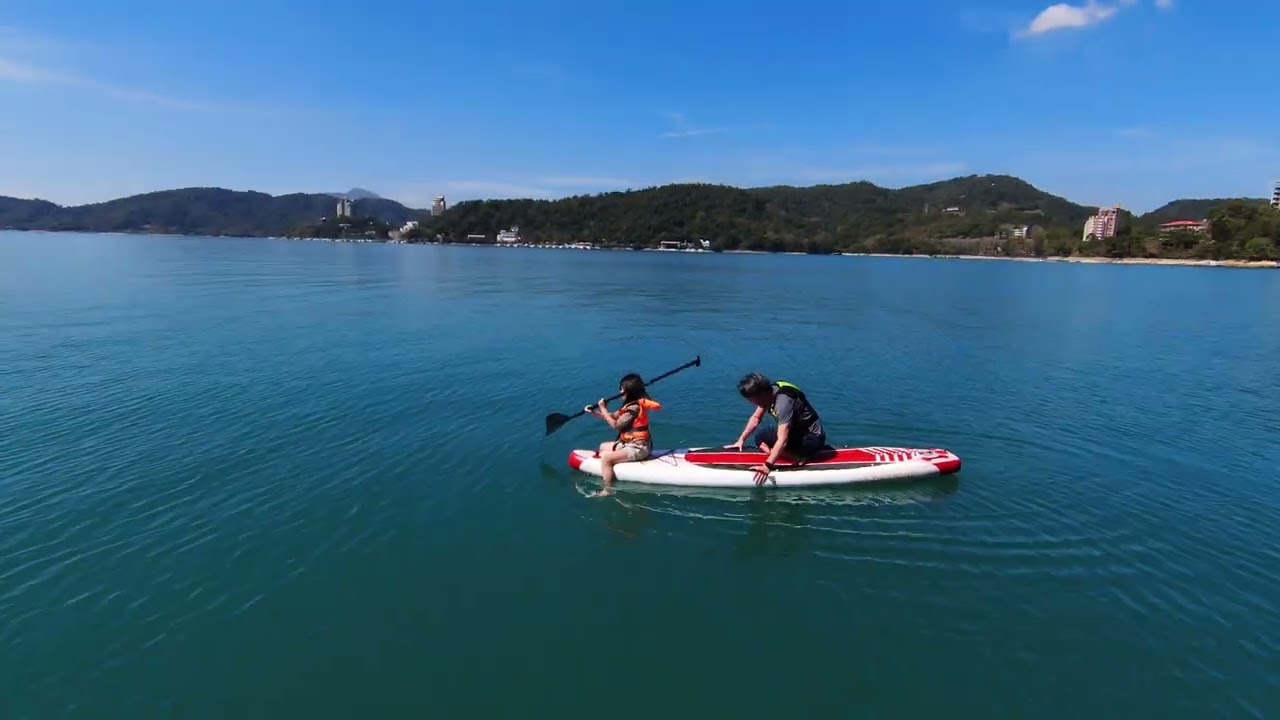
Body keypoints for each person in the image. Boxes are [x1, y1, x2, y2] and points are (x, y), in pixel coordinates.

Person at [728, 372, 828, 485]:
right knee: (761, 437)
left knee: (769, 439)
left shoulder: (782, 403)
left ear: (761, 394)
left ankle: (799, 458)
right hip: (799, 433)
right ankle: (790, 455)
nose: (750, 402)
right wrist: (741, 440)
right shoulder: (770, 392)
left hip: (812, 440)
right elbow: (756, 418)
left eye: (751, 399)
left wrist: (767, 465)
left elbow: (783, 439)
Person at [585, 373, 661, 497]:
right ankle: (611, 467)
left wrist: (603, 408)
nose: (620, 391)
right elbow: (613, 416)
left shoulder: (634, 408)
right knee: (602, 447)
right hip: (629, 444)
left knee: (606, 459)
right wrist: (595, 412)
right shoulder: (629, 405)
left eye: (621, 389)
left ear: (628, 392)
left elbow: (616, 425)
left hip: (638, 448)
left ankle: (607, 490)